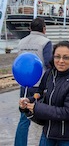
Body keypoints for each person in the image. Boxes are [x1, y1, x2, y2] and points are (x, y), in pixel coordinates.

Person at [19, 41, 69, 145]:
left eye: (66, 57)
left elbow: (68, 112)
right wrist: (28, 102)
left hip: (68, 138)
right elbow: (40, 95)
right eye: (57, 57)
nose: (60, 61)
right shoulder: (49, 74)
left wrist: (36, 108)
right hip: (48, 134)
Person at [14, 17, 52, 146]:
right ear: (44, 29)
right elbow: (48, 64)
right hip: (39, 86)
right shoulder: (45, 42)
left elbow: (19, 63)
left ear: (30, 29)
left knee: (24, 118)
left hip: (24, 84)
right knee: (44, 118)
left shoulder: (21, 42)